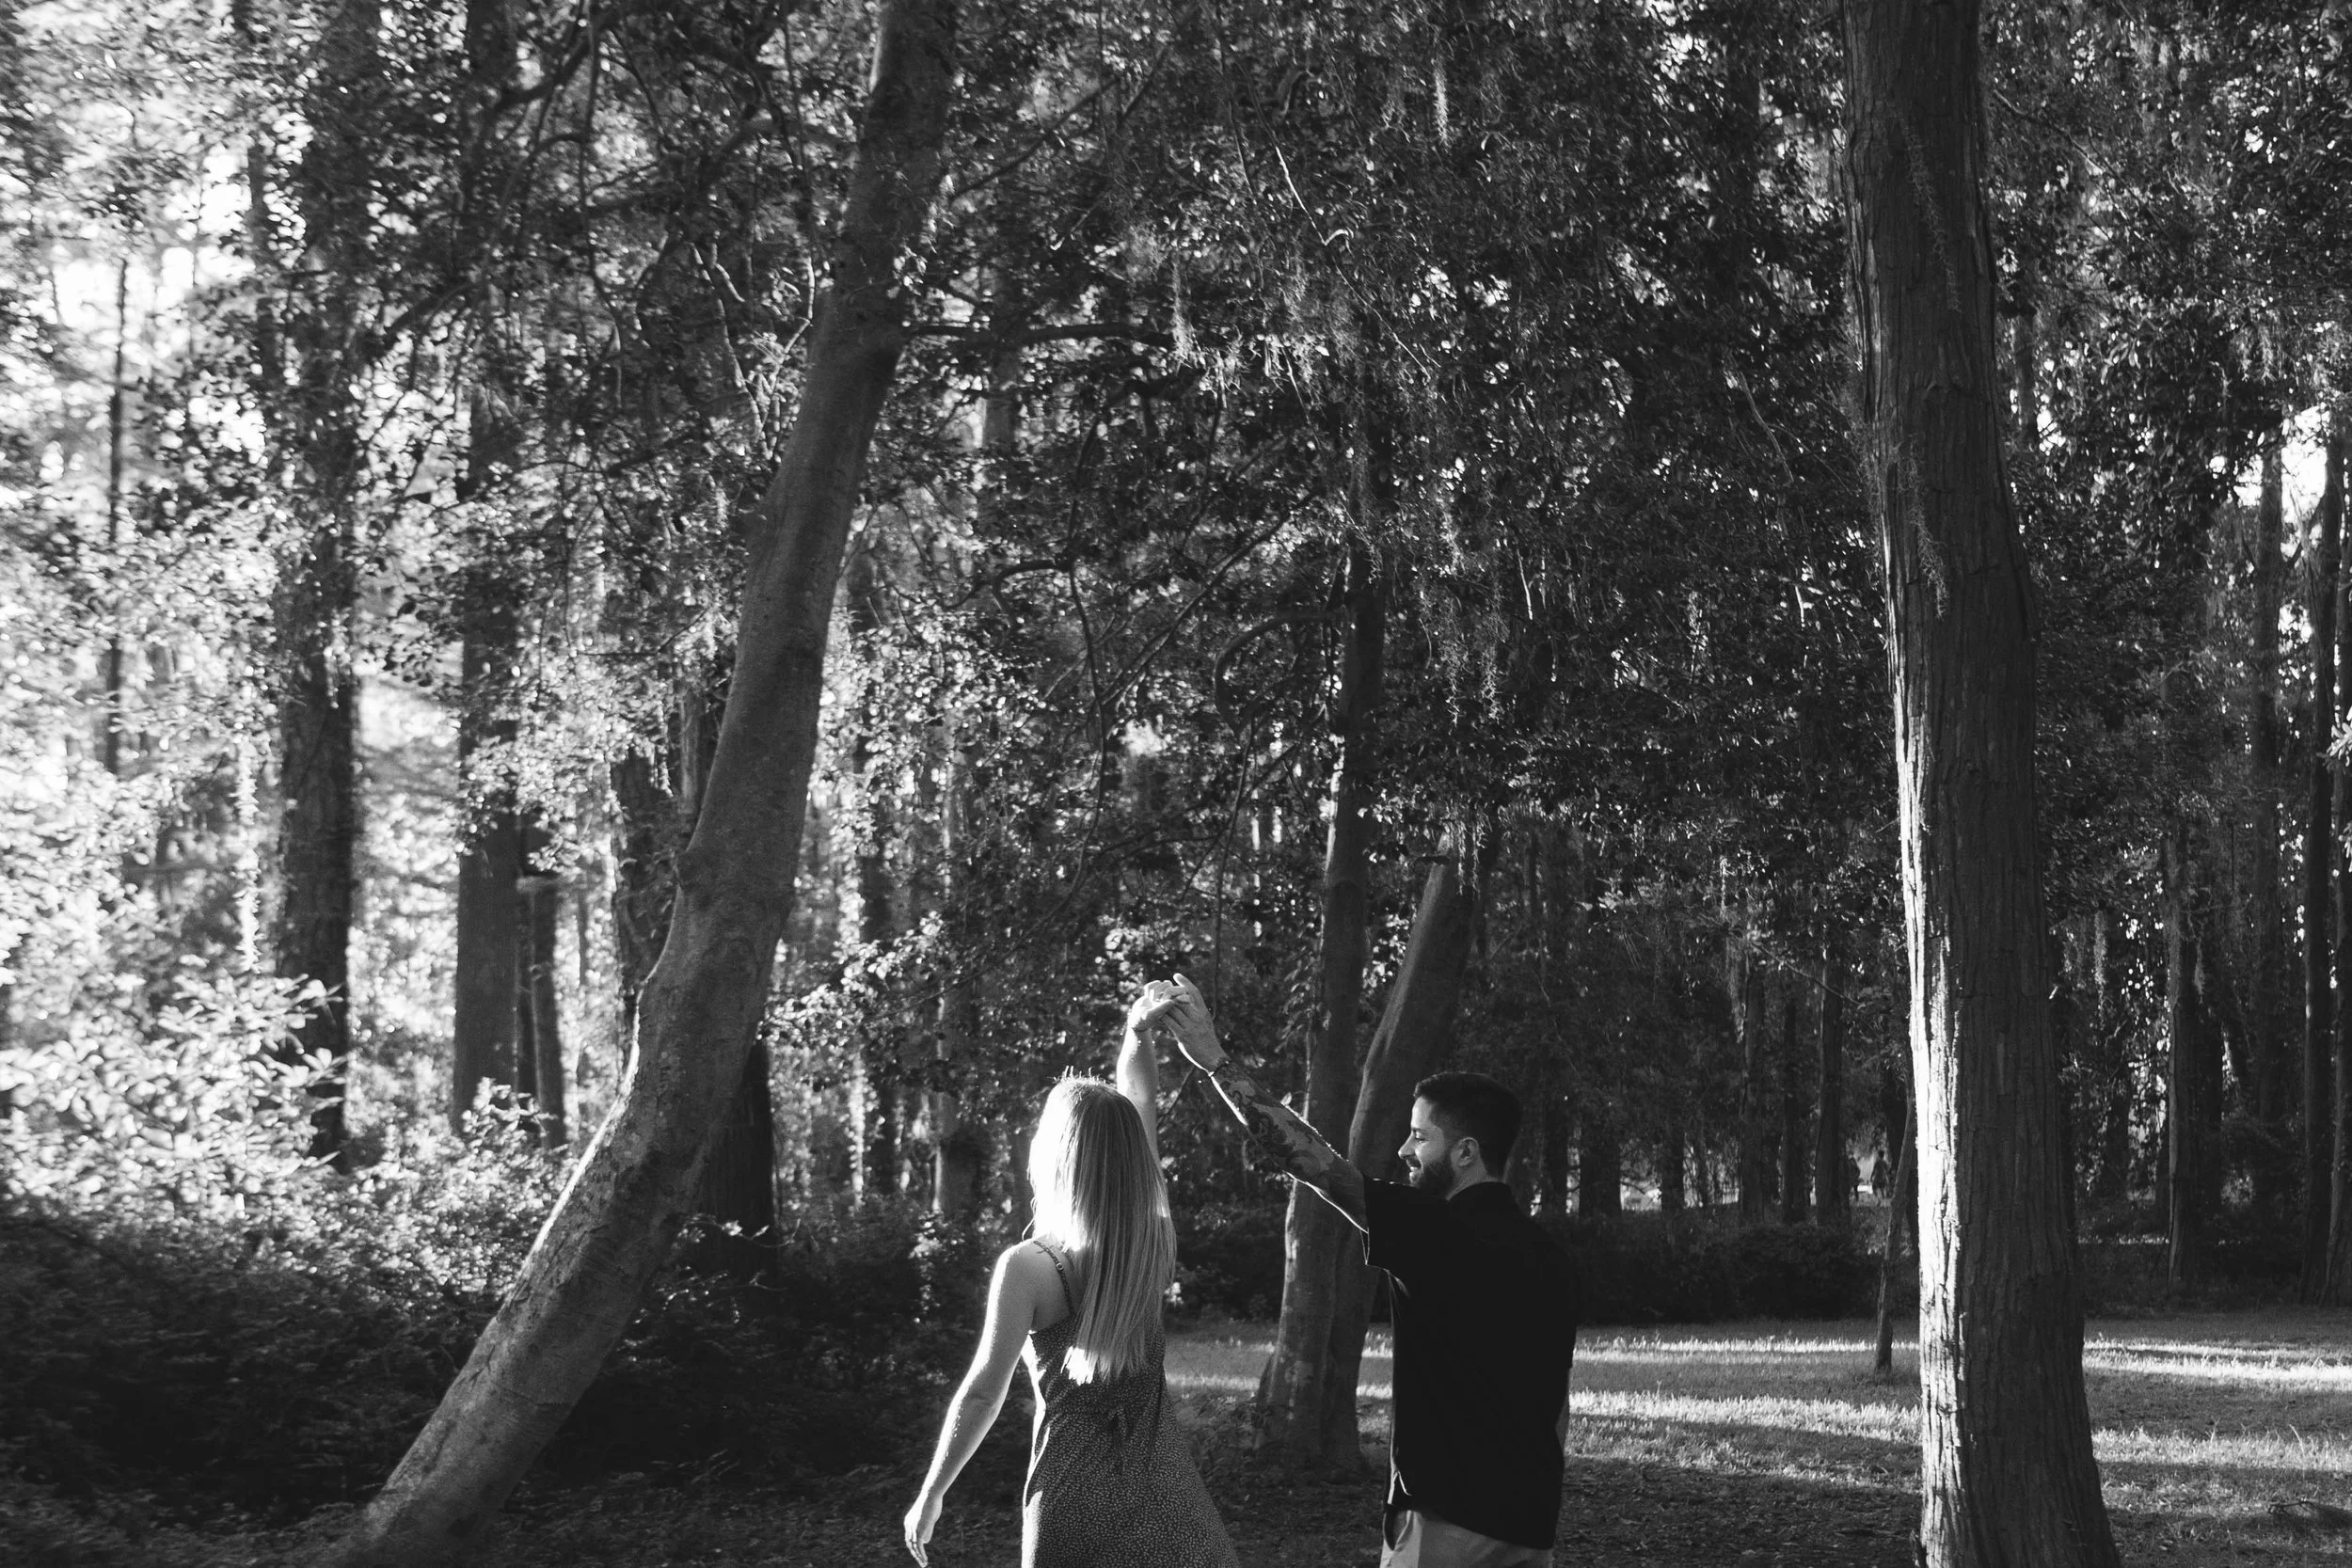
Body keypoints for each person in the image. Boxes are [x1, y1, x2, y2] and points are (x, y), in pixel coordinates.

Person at [1159, 974, 1578, 1568]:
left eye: (1418, 1137)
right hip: (1529, 1523)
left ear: (1466, 1153)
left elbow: (1314, 1165)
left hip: (1443, 1521)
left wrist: (1213, 1061)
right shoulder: (1551, 1255)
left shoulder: (1433, 1229)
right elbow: (1556, 1400)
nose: (1406, 1153)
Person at [904, 982, 1238, 1568]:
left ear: (1054, 1156)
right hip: (1173, 1509)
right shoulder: (1148, 1244)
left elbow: (984, 1394)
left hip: (1071, 1511)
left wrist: (932, 1492)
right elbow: (1138, 1114)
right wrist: (1136, 1036)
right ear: (1134, 1162)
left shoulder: (1028, 1269)